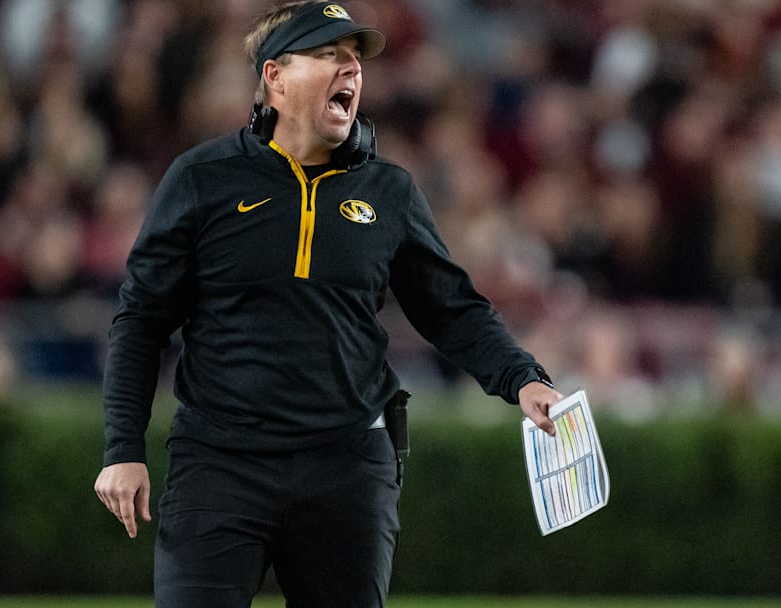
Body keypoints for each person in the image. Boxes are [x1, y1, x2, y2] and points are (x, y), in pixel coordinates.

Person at [93, 2, 562, 606]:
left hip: (347, 466)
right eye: (328, 56)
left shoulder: (389, 191)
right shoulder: (201, 180)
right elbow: (142, 318)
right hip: (220, 461)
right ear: (275, 79)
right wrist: (123, 449)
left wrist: (522, 378)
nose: (352, 71)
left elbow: (451, 306)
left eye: (355, 61)